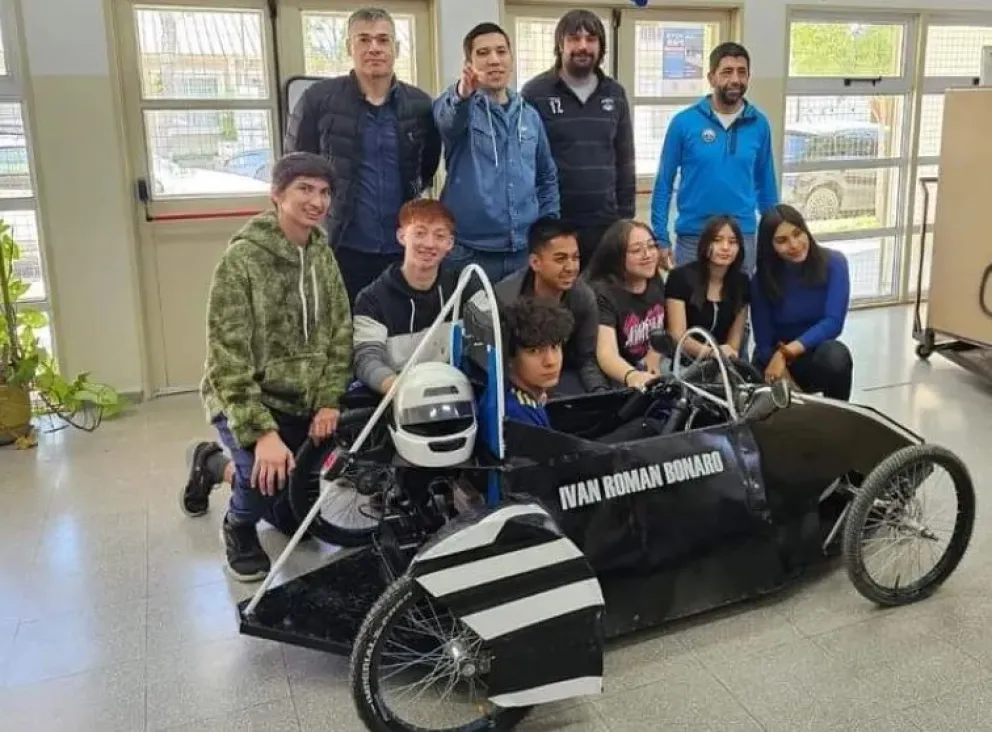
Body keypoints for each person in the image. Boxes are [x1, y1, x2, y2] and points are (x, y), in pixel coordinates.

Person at [182, 152, 354, 583]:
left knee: (290, 491)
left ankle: (213, 466)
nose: (316, 201)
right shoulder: (241, 260)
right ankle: (238, 526)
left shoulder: (323, 257)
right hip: (243, 399)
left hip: (303, 398)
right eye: (305, 189)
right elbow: (227, 356)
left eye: (324, 192)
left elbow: (340, 334)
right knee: (264, 478)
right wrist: (262, 433)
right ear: (277, 194)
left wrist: (329, 401)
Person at [284, 7, 442, 304]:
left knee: (400, 337)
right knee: (344, 337)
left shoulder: (420, 106)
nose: (374, 48)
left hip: (403, 249)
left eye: (383, 40)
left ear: (395, 49)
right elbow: (293, 172)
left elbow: (427, 166)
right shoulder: (318, 101)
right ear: (349, 47)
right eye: (364, 40)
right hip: (342, 247)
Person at [433, 22, 560, 283]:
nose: (494, 60)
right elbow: (447, 120)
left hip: (523, 253)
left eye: (501, 52)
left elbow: (547, 178)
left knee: (523, 323)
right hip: (469, 254)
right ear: (469, 63)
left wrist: (548, 232)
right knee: (468, 324)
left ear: (511, 59)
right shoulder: (460, 107)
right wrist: (462, 93)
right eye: (483, 53)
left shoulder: (529, 116)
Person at [649, 42, 778, 275]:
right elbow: (664, 183)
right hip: (693, 238)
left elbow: (766, 185)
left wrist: (773, 236)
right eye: (727, 72)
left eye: (742, 72)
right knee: (690, 308)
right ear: (711, 77)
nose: (735, 79)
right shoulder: (684, 122)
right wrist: (660, 237)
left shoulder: (759, 124)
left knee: (737, 308)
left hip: (742, 238)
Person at [520, 10, 635, 264]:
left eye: (591, 39)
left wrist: (626, 221)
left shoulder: (615, 94)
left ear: (601, 47)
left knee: (601, 299)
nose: (583, 46)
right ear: (560, 45)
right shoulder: (534, 93)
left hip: (605, 225)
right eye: (574, 38)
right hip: (554, 224)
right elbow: (523, 162)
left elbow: (625, 160)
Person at [466, 217, 608, 394]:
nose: (571, 267)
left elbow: (586, 359)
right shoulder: (504, 299)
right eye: (560, 259)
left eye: (575, 258)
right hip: (515, 385)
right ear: (535, 263)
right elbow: (498, 366)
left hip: (562, 377)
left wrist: (599, 394)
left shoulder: (583, 297)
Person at [352, 198, 476, 395]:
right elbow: (366, 359)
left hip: (456, 394)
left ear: (450, 243)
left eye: (439, 236)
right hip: (397, 396)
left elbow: (489, 345)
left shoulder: (466, 286)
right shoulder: (371, 300)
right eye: (420, 233)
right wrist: (399, 388)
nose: (429, 244)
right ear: (401, 236)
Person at [751, 204, 853, 401]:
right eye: (782, 240)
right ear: (769, 246)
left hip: (813, 355)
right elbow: (763, 341)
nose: (794, 245)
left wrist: (787, 352)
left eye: (798, 234)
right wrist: (787, 383)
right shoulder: (761, 280)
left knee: (837, 356)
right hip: (774, 362)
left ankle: (838, 422)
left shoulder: (834, 263)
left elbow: (833, 322)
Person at [585, 219, 666, 390]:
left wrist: (655, 353)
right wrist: (633, 376)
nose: (648, 255)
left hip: (650, 363)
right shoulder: (603, 293)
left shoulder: (654, 280)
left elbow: (665, 331)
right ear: (616, 256)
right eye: (637, 250)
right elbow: (607, 354)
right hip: (617, 372)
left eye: (651, 246)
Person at [665, 215, 749, 360]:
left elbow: (734, 341)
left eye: (732, 242)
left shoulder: (742, 282)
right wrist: (712, 353)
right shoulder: (679, 277)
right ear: (704, 244)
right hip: (682, 362)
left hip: (721, 365)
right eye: (717, 240)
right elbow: (677, 335)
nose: (725, 247)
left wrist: (727, 357)